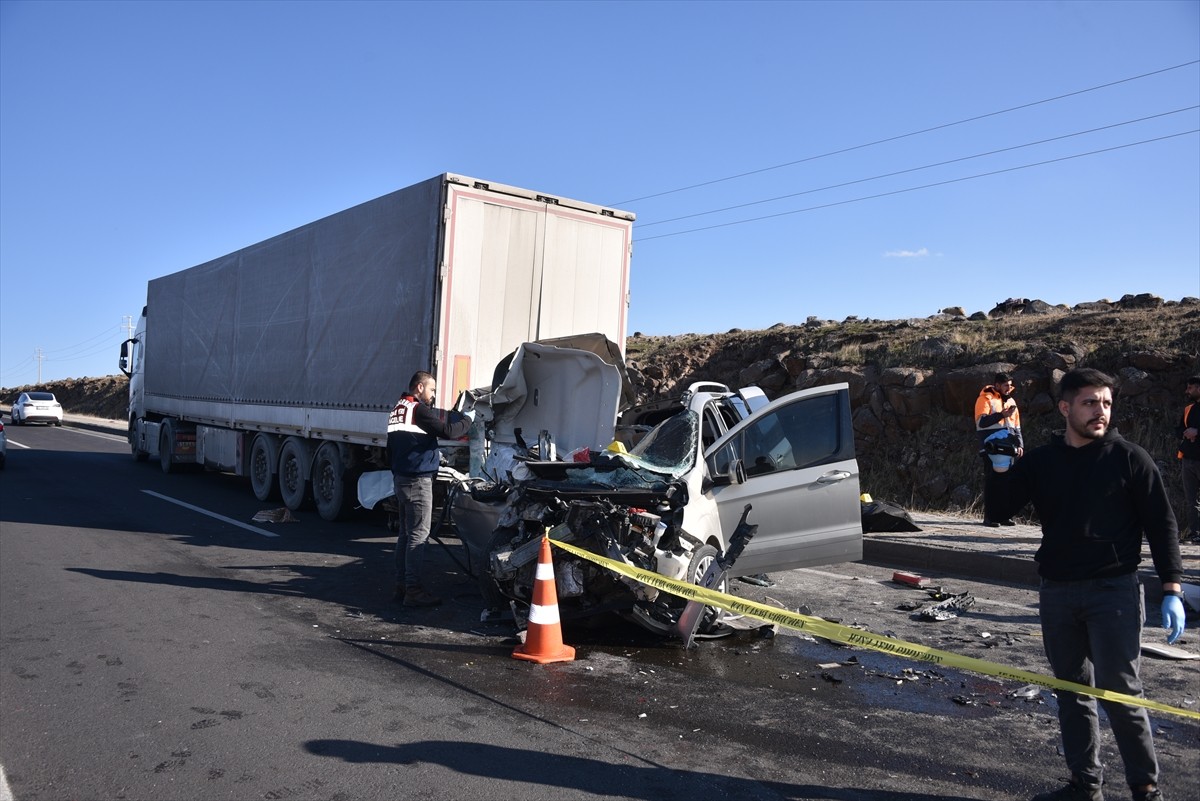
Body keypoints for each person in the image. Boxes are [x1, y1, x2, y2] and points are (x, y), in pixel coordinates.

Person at [998, 368, 1185, 801]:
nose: (1100, 411)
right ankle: (1086, 786)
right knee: (1072, 693)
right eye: (1089, 402)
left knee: (1122, 695)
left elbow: (1162, 525)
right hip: (1057, 592)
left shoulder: (1129, 458)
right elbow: (1001, 509)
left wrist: (1172, 588)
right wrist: (1000, 467)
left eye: (1105, 402)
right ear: (1065, 408)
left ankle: (1146, 789)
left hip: (1113, 592)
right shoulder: (1043, 461)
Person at [387, 370, 473, 608]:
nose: (434, 394)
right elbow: (448, 431)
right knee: (418, 535)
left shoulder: (398, 409)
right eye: (432, 389)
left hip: (402, 479)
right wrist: (468, 419)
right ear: (420, 388)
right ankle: (413, 590)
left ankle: (401, 584)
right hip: (417, 481)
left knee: (405, 534)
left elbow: (390, 449)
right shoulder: (418, 409)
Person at [975, 371, 1023, 527]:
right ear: (997, 385)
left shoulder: (1011, 401)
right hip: (991, 448)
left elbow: (1016, 427)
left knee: (1007, 483)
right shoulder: (984, 399)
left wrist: (1020, 445)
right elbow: (982, 422)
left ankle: (1003, 516)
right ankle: (989, 517)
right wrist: (1001, 415)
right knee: (992, 482)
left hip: (1009, 449)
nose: (1009, 388)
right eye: (1005, 385)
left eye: (1010, 385)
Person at [1176, 376, 1200, 542]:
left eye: (1190, 388)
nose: (1187, 391)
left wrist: (1197, 432)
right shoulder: (1189, 409)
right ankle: (1195, 534)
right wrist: (1186, 433)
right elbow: (1178, 429)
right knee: (1191, 500)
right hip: (1188, 460)